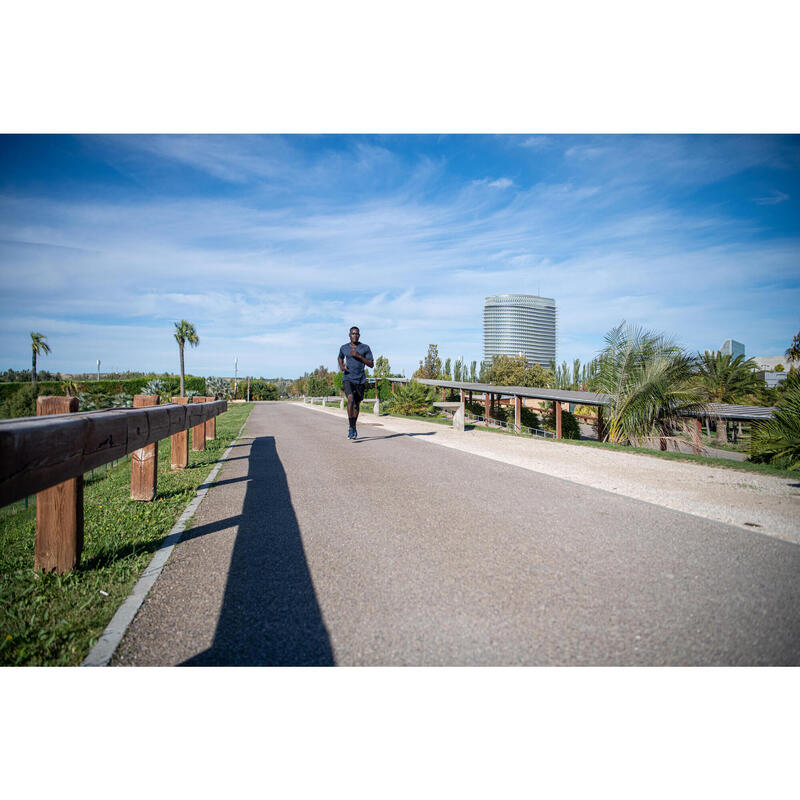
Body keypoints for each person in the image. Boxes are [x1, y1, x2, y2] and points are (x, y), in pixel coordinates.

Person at [338, 326, 374, 440]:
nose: (355, 335)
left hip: (360, 379)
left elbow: (371, 364)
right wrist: (341, 366)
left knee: (357, 404)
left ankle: (353, 427)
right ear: (349, 335)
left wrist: (359, 356)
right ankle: (351, 427)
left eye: (357, 334)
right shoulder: (344, 348)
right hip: (348, 378)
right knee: (350, 398)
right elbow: (340, 357)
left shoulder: (365, 348)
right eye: (353, 333)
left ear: (359, 335)